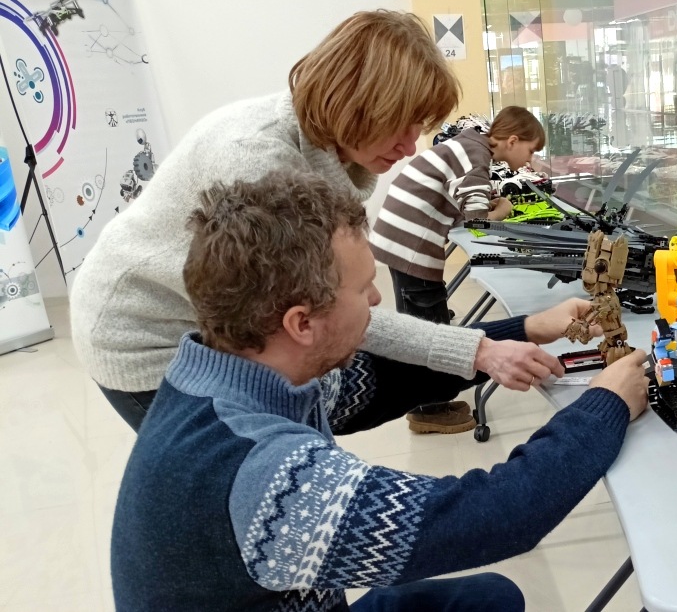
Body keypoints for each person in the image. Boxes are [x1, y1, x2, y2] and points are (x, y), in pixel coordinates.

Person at [111, 169, 649, 612]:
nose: (375, 299)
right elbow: (498, 516)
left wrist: (523, 331)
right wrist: (605, 404)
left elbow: (382, 384)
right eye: (362, 287)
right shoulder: (263, 478)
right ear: (301, 323)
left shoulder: (237, 375)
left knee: (491, 598)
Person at [69, 10, 559, 431]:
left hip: (214, 328)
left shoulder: (320, 150)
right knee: (255, 454)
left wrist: (513, 335)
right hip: (146, 337)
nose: (411, 147)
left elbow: (340, 313)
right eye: (401, 123)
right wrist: (482, 350)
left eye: (419, 128)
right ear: (356, 101)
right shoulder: (257, 161)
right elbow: (330, 313)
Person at [370, 106, 546, 434]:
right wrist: (502, 210)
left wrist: (486, 202)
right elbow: (477, 222)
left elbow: (463, 198)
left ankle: (431, 400)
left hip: (403, 238)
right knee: (427, 325)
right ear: (512, 140)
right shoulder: (476, 155)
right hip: (409, 243)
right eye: (531, 150)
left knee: (430, 314)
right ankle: (427, 410)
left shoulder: (472, 145)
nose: (530, 160)